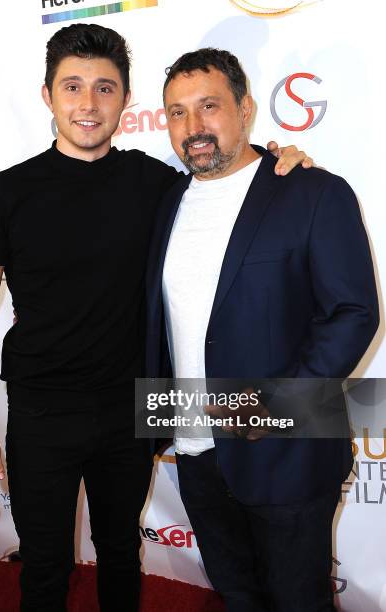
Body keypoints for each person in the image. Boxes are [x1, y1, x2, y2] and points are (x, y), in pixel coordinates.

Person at [0, 24, 311, 612]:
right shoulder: (6, 193)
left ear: (124, 99)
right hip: (43, 412)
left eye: (104, 88)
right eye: (72, 87)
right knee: (45, 564)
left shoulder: (157, 185)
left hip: (132, 408)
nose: (88, 105)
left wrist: (283, 161)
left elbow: (229, 182)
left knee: (121, 552)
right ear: (47, 96)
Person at [146, 48, 379, 611]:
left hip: (287, 451)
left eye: (209, 106)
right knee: (237, 596)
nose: (193, 127)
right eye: (177, 112)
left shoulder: (313, 192)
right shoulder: (165, 201)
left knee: (299, 600)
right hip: (196, 451)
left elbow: (354, 313)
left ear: (245, 108)